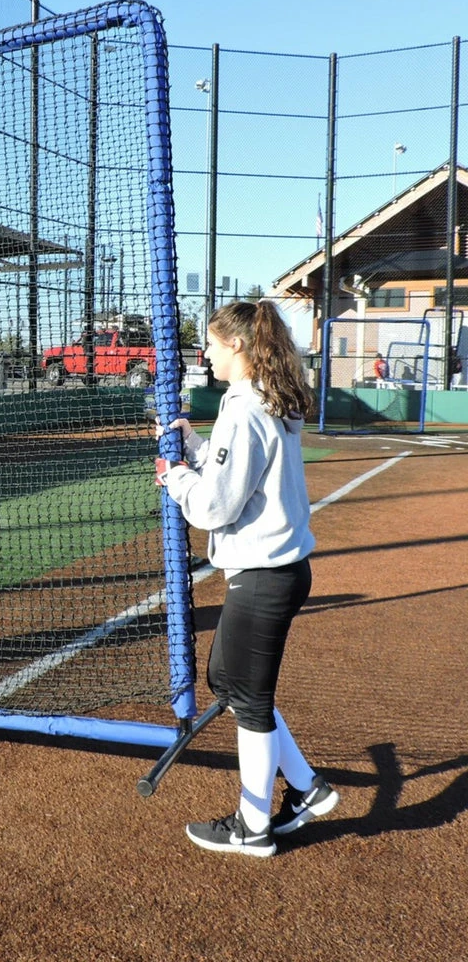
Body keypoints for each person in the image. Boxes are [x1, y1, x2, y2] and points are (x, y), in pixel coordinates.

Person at [155, 300, 338, 857]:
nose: (205, 352)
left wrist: (177, 478)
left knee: (249, 700)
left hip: (264, 573)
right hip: (274, 570)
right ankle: (307, 789)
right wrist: (194, 448)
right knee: (229, 684)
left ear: (236, 346)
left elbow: (216, 505)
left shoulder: (245, 406)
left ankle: (252, 826)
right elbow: (243, 471)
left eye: (211, 343)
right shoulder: (265, 398)